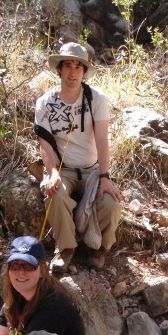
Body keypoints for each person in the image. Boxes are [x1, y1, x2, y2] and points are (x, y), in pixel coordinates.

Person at [34, 42, 122, 274]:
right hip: (63, 169)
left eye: (78, 67)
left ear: (84, 71)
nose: (73, 72)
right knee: (55, 195)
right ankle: (65, 248)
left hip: (93, 169)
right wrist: (52, 173)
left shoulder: (96, 99)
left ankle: (100, 249)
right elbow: (45, 145)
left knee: (111, 204)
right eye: (68, 66)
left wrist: (105, 176)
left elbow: (102, 140)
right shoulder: (45, 103)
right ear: (59, 69)